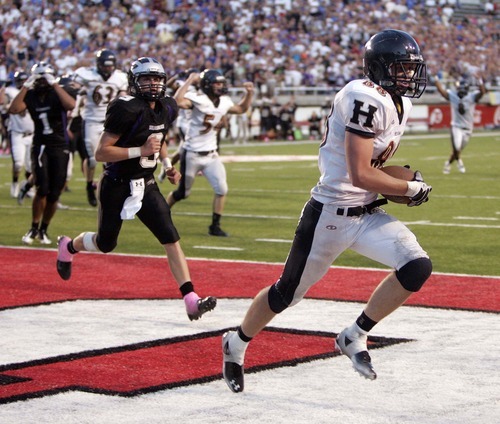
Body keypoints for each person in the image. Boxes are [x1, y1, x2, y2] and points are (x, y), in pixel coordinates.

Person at [222, 29, 433, 392]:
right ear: (379, 67)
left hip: (365, 213)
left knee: (416, 265)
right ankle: (236, 343)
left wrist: (404, 181)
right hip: (329, 216)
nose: (409, 77)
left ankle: (354, 335)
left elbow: (373, 170)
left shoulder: (401, 103)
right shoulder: (363, 96)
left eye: (411, 69)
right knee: (286, 292)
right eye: (401, 68)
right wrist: (407, 187)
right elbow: (360, 173)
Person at [56, 57, 217, 321]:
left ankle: (190, 299)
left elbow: (159, 138)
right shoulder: (125, 108)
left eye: (157, 79)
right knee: (106, 243)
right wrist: (139, 151)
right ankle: (68, 246)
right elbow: (101, 152)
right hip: (117, 184)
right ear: (134, 81)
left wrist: (166, 164)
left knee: (171, 239)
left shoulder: (165, 107)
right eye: (146, 78)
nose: (153, 84)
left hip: (147, 183)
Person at [166, 69, 254, 237]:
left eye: (222, 83)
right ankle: (161, 213)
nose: (221, 87)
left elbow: (241, 108)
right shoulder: (198, 99)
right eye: (217, 84)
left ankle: (215, 226)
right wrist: (189, 81)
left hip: (212, 155)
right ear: (207, 85)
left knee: (222, 189)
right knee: (182, 193)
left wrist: (249, 93)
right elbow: (177, 101)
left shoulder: (224, 101)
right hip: (192, 154)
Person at [8, 62, 76, 245]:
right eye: (39, 78)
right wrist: (26, 84)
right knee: (42, 188)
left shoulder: (57, 93)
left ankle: (44, 230)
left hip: (60, 145)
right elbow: (13, 109)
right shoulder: (30, 95)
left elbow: (71, 105)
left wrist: (54, 83)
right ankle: (33, 227)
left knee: (54, 193)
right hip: (40, 146)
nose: (42, 82)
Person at [73, 49, 128, 206]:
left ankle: (108, 189)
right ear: (98, 65)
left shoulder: (120, 77)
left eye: (110, 66)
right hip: (90, 120)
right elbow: (74, 85)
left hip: (109, 123)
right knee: (91, 160)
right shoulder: (87, 74)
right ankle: (89, 185)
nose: (108, 70)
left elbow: (123, 98)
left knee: (110, 159)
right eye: (105, 66)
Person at [434, 75, 487, 174]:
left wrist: (480, 81)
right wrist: (436, 80)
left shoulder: (472, 96)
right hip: (456, 126)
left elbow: (482, 92)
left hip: (468, 128)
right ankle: (460, 162)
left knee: (457, 151)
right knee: (456, 148)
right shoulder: (453, 95)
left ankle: (448, 164)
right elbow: (442, 92)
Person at [0, 70, 34, 199]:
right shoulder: (10, 92)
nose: (23, 83)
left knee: (31, 165)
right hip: (17, 133)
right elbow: (2, 102)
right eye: (21, 81)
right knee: (18, 163)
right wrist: (3, 88)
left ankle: (28, 187)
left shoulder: (33, 93)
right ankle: (15, 183)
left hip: (31, 134)